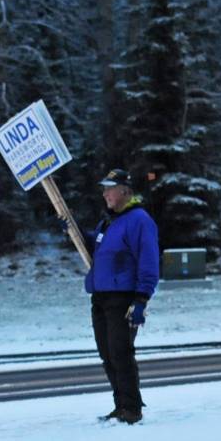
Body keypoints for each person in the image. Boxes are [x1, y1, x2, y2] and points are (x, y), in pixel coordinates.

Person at [81, 167, 159, 424]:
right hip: (101, 296)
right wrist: (78, 234)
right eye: (104, 189)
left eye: (109, 189)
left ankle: (131, 409)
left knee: (120, 352)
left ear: (124, 191)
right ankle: (120, 405)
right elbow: (100, 248)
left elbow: (148, 261)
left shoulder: (139, 220)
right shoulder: (108, 221)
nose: (104, 194)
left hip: (123, 297)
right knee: (107, 354)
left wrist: (141, 299)